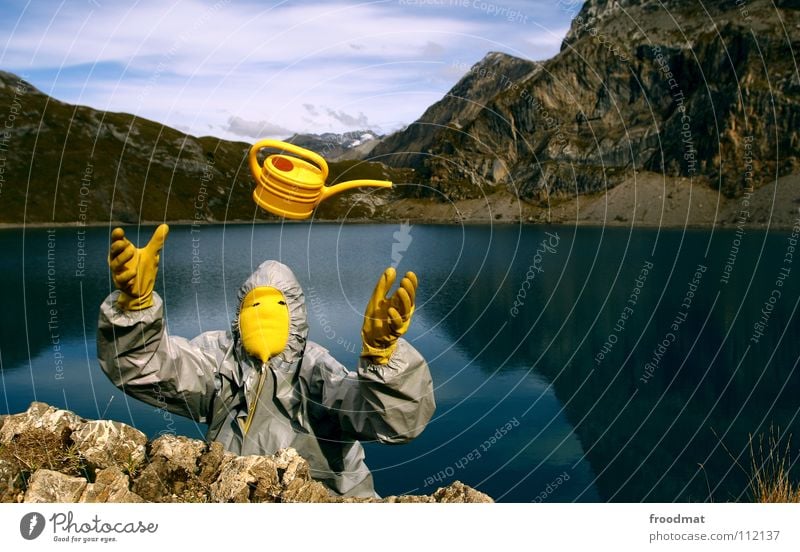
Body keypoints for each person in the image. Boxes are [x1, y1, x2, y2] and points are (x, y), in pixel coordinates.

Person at [96, 224, 435, 498]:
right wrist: (135, 309)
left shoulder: (316, 370)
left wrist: (383, 360)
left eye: (278, 306)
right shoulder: (218, 360)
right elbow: (144, 368)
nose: (263, 318)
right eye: (254, 307)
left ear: (297, 317)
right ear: (238, 317)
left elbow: (398, 423)